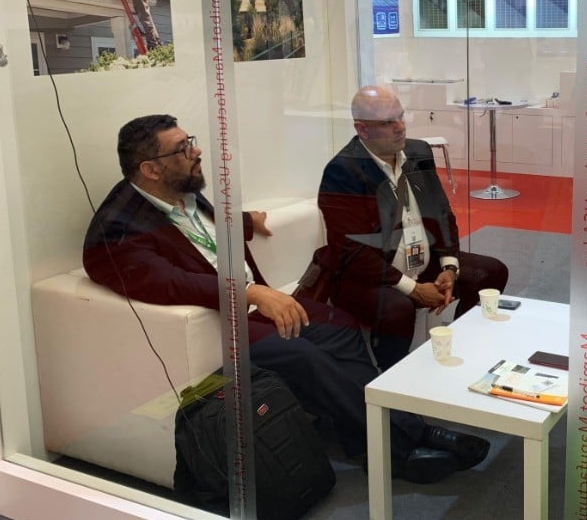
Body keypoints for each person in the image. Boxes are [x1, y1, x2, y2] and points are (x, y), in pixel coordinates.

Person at [83, 114, 489, 485]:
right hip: (221, 325)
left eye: (190, 141)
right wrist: (249, 291)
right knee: (301, 355)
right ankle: (406, 438)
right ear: (151, 169)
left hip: (256, 307)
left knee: (341, 326)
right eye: (183, 149)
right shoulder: (116, 231)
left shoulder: (178, 190)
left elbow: (199, 227)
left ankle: (369, 442)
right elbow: (169, 281)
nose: (197, 151)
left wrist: (248, 221)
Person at [318, 85, 509, 370]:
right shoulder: (343, 171)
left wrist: (449, 267)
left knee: (492, 271)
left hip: (421, 262)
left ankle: (460, 344)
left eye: (401, 116)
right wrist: (413, 289)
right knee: (398, 309)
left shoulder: (418, 152)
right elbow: (352, 251)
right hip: (369, 277)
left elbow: (442, 215)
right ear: (362, 130)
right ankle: (391, 379)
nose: (400, 127)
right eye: (387, 122)